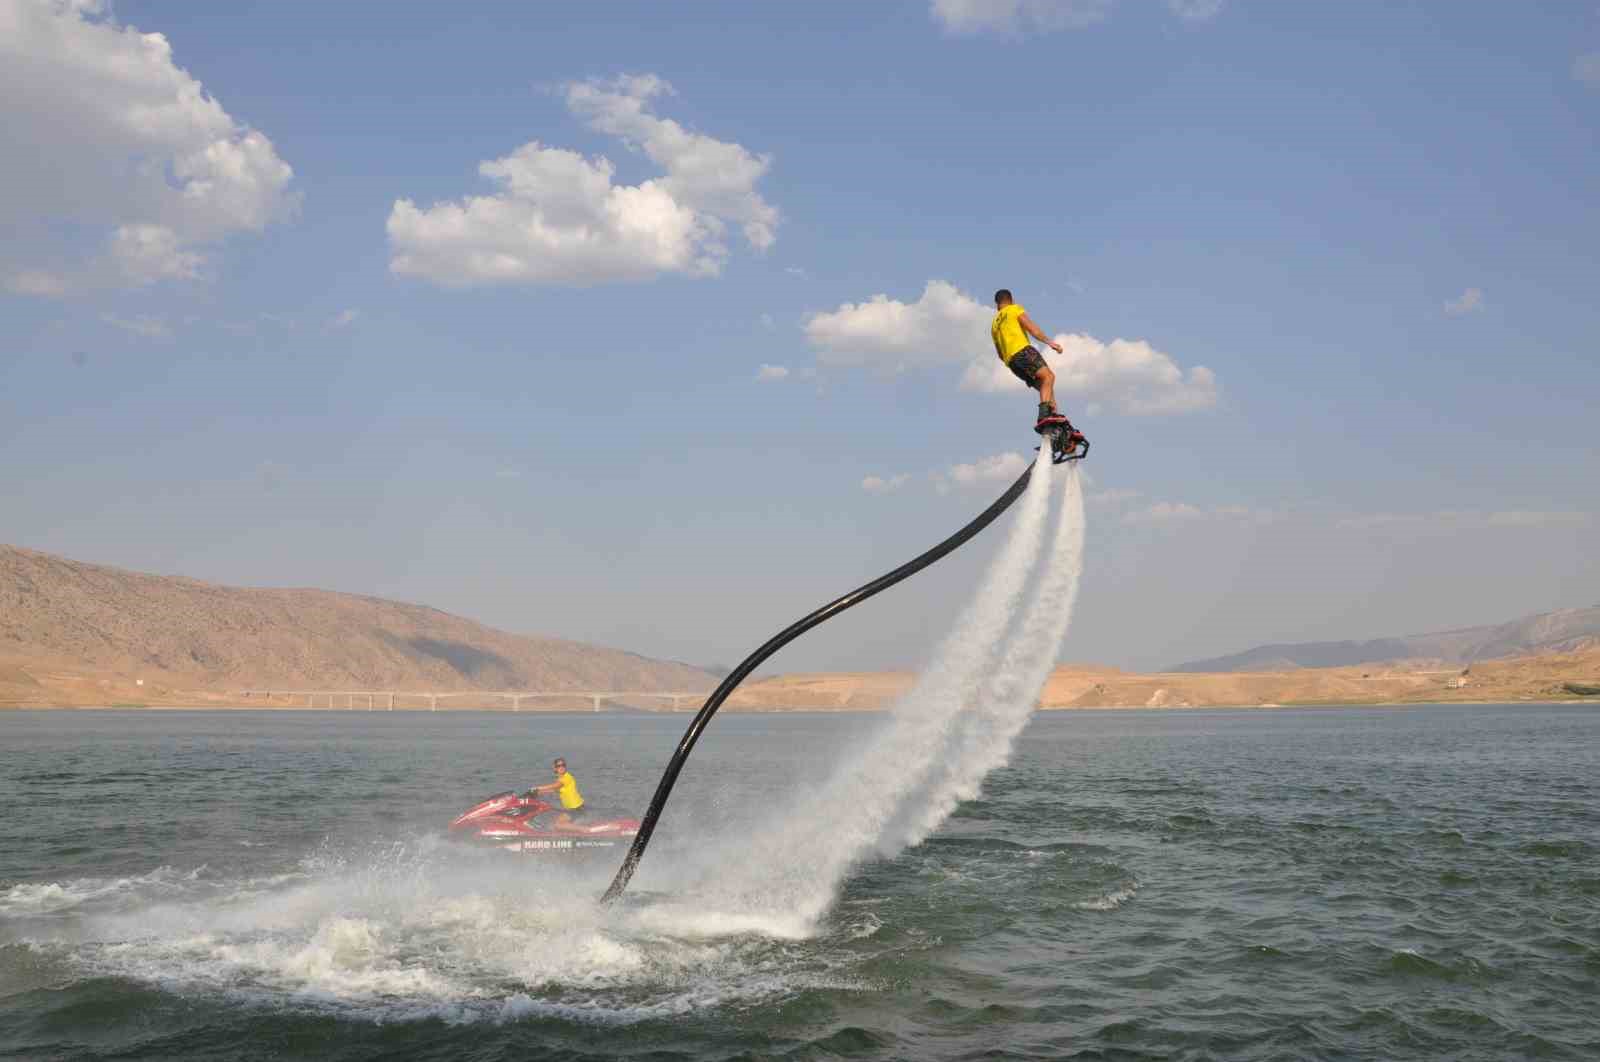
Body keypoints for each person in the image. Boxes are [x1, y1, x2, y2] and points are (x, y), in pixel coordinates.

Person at [991, 289, 1068, 431]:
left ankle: (1055, 425)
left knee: (1045, 387)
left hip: (1012, 363)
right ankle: (1044, 416)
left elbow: (1000, 354)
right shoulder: (1014, 309)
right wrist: (1050, 342)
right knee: (1049, 377)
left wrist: (1012, 361)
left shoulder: (994, 324)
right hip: (1023, 351)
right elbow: (1033, 329)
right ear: (1011, 299)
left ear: (997, 304)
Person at [527, 757, 586, 828]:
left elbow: (555, 786)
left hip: (576, 808)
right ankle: (572, 830)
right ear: (555, 768)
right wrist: (539, 792)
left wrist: (537, 788)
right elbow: (554, 790)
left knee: (558, 825)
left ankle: (586, 830)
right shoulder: (561, 778)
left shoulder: (567, 777)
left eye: (563, 765)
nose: (561, 767)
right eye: (558, 766)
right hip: (572, 808)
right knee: (555, 823)